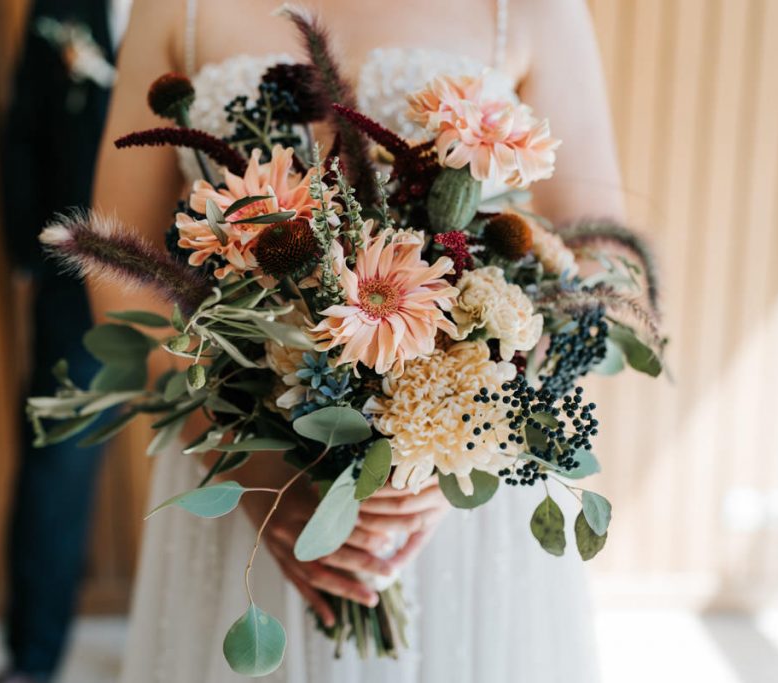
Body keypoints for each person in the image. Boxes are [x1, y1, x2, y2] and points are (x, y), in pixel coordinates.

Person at [92, 0, 625, 680]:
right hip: (240, 455)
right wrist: (244, 464)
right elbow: (120, 264)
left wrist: (469, 444)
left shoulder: (537, 10)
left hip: (456, 491)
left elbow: (599, 257)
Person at [0, 1, 131, 681]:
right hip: (75, 280)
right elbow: (23, 129)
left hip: (213, 274)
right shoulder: (60, 7)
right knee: (57, 462)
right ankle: (31, 661)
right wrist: (28, 254)